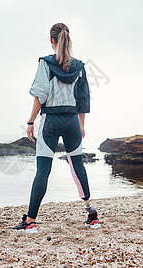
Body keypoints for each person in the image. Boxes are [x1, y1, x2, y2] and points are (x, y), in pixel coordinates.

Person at [13, 23, 100, 233]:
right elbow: (83, 98)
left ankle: (30, 221)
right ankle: (92, 215)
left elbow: (40, 95)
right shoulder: (79, 66)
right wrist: (81, 126)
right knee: (78, 167)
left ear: (51, 40)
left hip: (50, 121)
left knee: (43, 171)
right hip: (72, 122)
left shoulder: (45, 63)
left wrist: (31, 122)